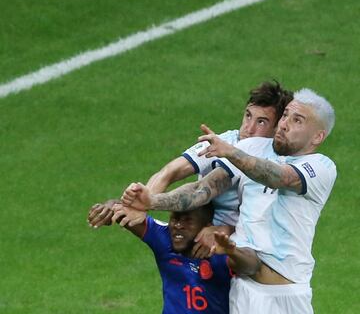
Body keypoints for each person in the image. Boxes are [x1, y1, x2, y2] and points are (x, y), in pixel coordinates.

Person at [120, 88, 337, 314]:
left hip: (285, 296)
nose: (284, 124)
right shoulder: (251, 148)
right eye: (285, 116)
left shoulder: (321, 167)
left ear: (317, 136)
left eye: (297, 120)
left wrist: (232, 153)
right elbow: (202, 189)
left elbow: (279, 177)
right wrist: (152, 200)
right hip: (242, 291)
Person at [91, 80, 293, 257]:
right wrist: (138, 205)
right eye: (248, 116)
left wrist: (225, 230)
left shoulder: (277, 168)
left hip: (239, 248)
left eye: (261, 122)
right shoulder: (225, 141)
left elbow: (267, 225)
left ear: (277, 128)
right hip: (198, 236)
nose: (248, 129)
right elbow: (170, 172)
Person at [88, 202, 260, 314]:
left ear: (206, 227)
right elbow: (124, 212)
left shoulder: (219, 249)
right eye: (175, 219)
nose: (178, 226)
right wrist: (110, 208)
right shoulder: (164, 240)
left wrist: (232, 250)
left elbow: (252, 266)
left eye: (187, 221)